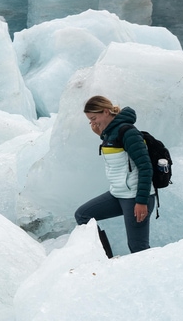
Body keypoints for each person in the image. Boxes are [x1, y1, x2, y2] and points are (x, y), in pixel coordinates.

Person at [75, 95, 155, 257]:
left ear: (105, 112)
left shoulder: (128, 133)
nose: (92, 122)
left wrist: (141, 201)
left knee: (138, 247)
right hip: (118, 194)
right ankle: (106, 259)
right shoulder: (110, 133)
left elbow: (145, 167)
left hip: (135, 197)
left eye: (94, 118)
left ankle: (154, 277)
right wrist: (101, 134)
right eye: (89, 120)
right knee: (83, 215)